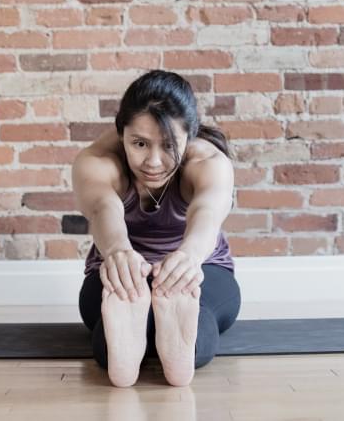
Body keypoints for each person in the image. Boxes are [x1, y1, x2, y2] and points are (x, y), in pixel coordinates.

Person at [73, 70, 241, 387]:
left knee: (199, 324)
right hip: (120, 269)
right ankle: (138, 320)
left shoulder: (209, 163)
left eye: (168, 145)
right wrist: (119, 252)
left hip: (199, 267)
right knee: (108, 345)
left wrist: (189, 257)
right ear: (121, 132)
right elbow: (102, 208)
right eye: (139, 144)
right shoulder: (97, 161)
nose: (153, 161)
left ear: (190, 135)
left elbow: (207, 212)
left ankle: (171, 321)